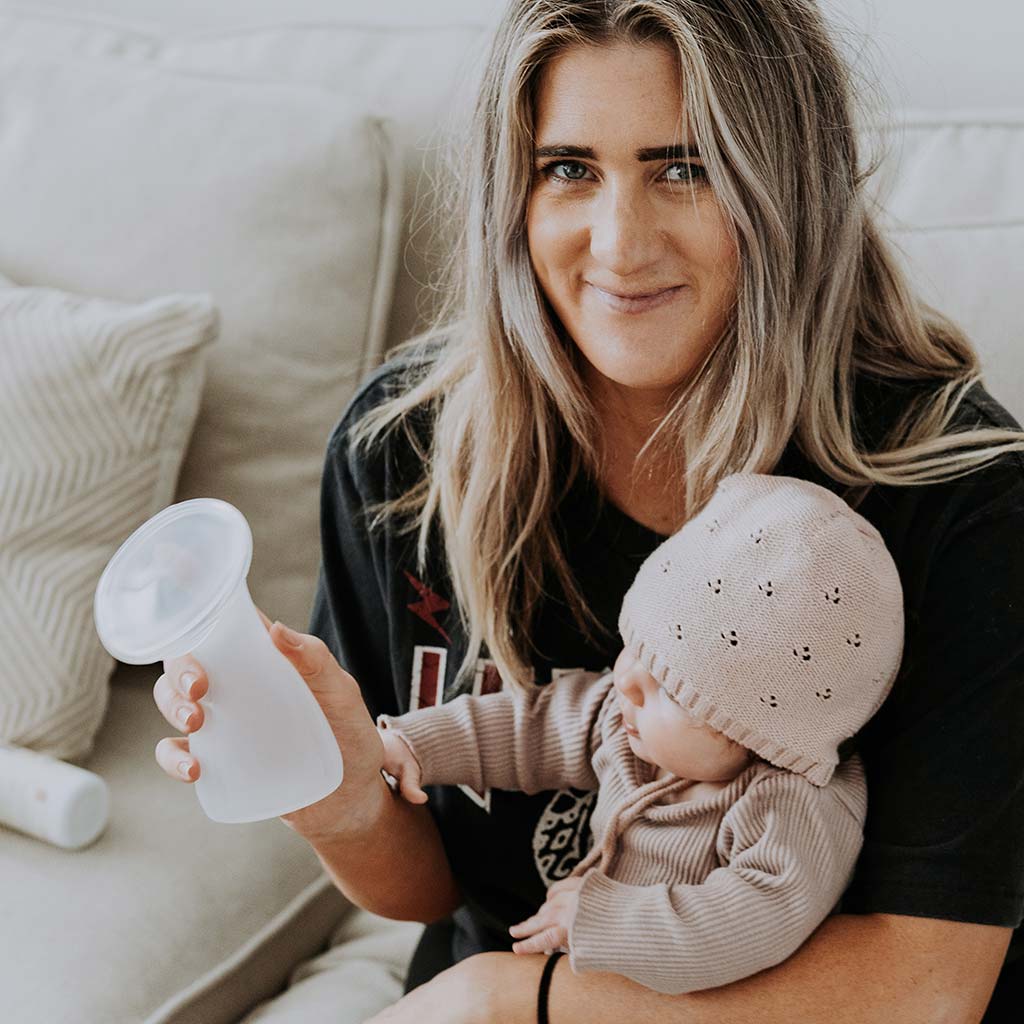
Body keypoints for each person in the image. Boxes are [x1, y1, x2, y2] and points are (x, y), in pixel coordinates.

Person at [152, 1, 1024, 1021]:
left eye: (683, 168)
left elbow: (921, 989)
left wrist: (509, 1002)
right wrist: (341, 797)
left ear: (784, 184)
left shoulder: (954, 492)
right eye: (569, 168)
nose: (620, 241)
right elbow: (434, 884)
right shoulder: (401, 452)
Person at [374, 472, 905, 994]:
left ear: (761, 734)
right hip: (582, 992)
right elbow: (525, 728)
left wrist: (607, 918)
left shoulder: (788, 810)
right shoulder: (627, 723)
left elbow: (754, 923)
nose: (625, 680)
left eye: (669, 686)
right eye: (636, 646)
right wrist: (417, 745)